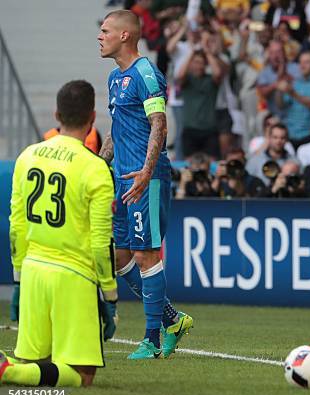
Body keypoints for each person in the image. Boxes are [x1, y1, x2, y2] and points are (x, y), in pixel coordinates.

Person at [1, 80, 116, 387]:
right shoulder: (95, 169)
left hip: (35, 271)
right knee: (81, 376)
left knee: (36, 365)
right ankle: (6, 371)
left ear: (56, 115)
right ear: (92, 119)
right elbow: (101, 239)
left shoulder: (27, 157)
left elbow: (17, 225)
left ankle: (13, 369)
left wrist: (18, 279)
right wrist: (110, 294)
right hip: (74, 277)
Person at [97, 10, 193, 360]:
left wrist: (145, 172)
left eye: (105, 30)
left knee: (146, 254)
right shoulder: (114, 77)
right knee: (122, 257)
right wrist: (98, 164)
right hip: (123, 178)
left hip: (145, 179)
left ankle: (152, 340)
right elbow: (116, 127)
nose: (100, 36)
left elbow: (159, 124)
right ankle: (171, 319)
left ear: (125, 36)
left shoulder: (146, 73)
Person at [275, 50, 310, 148]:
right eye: (300, 62)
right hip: (290, 135)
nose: (302, 65)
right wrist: (279, 90)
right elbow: (281, 105)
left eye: (307, 62)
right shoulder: (295, 83)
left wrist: (292, 92)